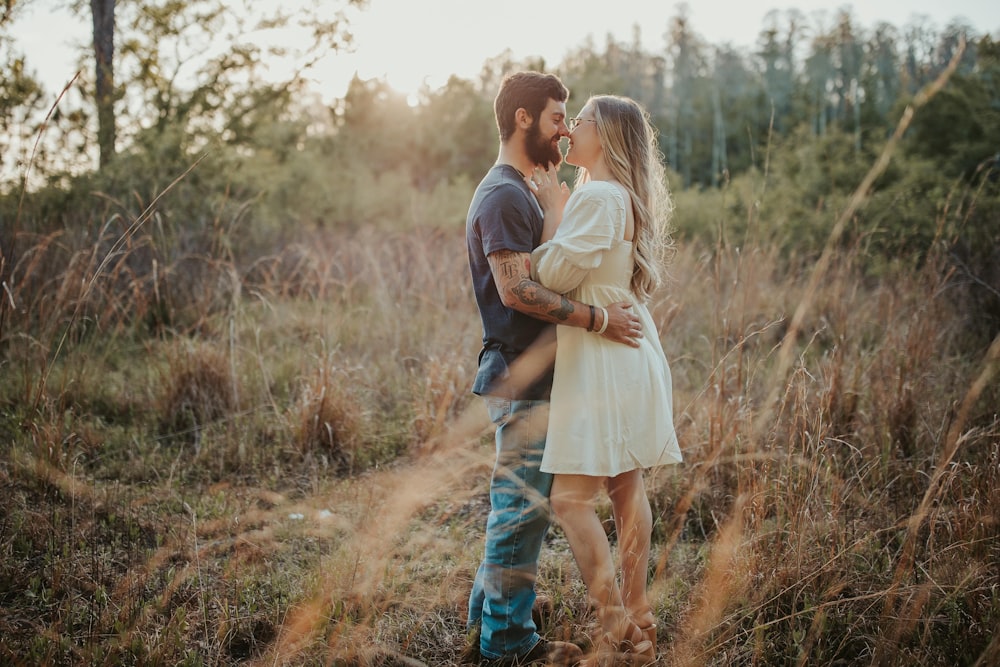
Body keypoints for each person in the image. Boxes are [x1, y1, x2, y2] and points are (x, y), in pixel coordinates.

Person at [465, 72, 644, 667]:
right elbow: (517, 291)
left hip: (538, 375)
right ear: (523, 119)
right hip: (523, 376)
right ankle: (507, 646)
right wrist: (597, 319)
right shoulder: (503, 196)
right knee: (520, 514)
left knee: (516, 509)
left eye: (571, 119)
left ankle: (483, 625)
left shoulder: (524, 192)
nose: (564, 129)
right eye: (555, 118)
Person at [526, 94, 683, 664]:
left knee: (569, 501)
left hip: (602, 358)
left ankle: (617, 621)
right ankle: (639, 613)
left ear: (607, 135)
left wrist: (551, 214)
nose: (570, 129)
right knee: (624, 486)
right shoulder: (626, 198)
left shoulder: (596, 196)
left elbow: (552, 273)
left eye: (582, 121)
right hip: (628, 352)